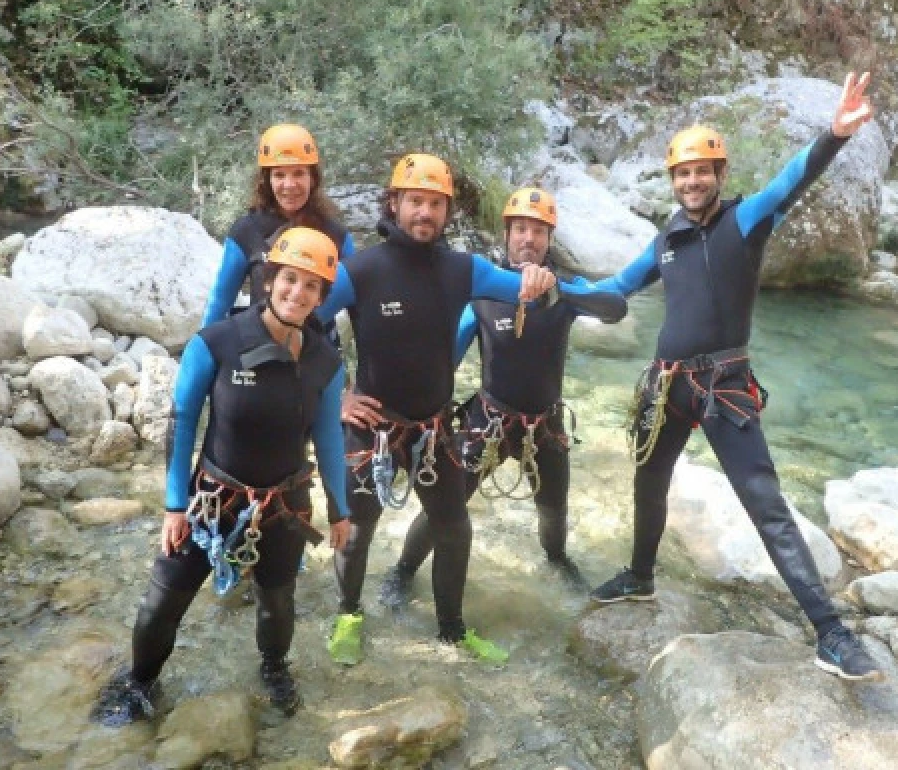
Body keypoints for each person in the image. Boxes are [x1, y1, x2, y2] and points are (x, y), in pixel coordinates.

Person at [589, 72, 885, 682]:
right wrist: (543, 291)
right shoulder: (665, 238)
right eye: (682, 173)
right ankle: (641, 576)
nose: (691, 181)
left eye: (702, 170)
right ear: (672, 181)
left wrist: (833, 135)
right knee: (648, 484)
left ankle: (831, 633)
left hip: (725, 387)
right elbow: (615, 291)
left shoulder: (745, 221)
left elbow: (791, 180)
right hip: (667, 386)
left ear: (719, 175)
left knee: (765, 504)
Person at [315, 154, 604, 666]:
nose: (424, 213)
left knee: (455, 528)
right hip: (374, 427)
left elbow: (518, 287)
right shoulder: (362, 270)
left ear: (447, 211)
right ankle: (349, 615)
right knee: (359, 528)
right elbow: (304, 322)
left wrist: (540, 281)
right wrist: (335, 394)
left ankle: (452, 631)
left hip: (433, 431)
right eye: (415, 202)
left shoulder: (463, 270)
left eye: (435, 204)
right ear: (395, 204)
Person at [92, 228, 353, 723]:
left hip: (284, 505)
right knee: (161, 603)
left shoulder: (325, 360)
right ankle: (139, 682)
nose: (297, 292)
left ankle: (274, 669)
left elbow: (330, 439)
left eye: (310, 286)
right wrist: (173, 505)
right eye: (289, 279)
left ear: (323, 296)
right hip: (211, 499)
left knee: (277, 603)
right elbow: (182, 421)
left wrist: (340, 510)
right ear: (270, 279)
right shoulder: (217, 342)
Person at [378, 187, 627, 606]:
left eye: (538, 231)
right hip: (489, 420)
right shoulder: (484, 292)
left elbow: (615, 308)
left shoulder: (566, 289)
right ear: (507, 235)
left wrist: (559, 292)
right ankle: (403, 570)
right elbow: (448, 356)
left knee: (553, 506)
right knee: (448, 504)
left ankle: (557, 558)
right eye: (520, 230)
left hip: (545, 423)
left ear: (549, 239)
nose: (528, 239)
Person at [201, 124, 355, 327]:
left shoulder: (337, 236)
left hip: (318, 351)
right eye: (279, 175)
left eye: (299, 173)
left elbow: (358, 301)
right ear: (267, 180)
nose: (289, 185)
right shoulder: (246, 232)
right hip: (260, 348)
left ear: (312, 178)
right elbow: (220, 301)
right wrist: (204, 350)